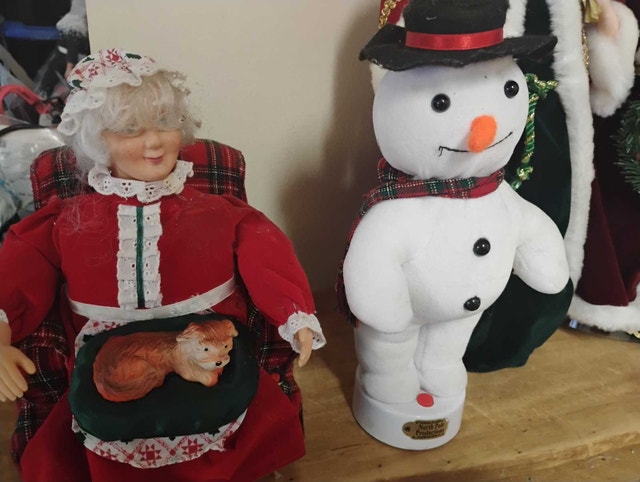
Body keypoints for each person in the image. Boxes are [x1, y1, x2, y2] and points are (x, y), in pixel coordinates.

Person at [0, 48, 325, 482]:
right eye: (130, 129)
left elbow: (266, 253)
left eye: (165, 123)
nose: (153, 142)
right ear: (99, 140)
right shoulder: (66, 220)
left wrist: (293, 312)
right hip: (108, 364)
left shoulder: (218, 211)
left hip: (208, 353)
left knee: (220, 433)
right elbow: (21, 266)